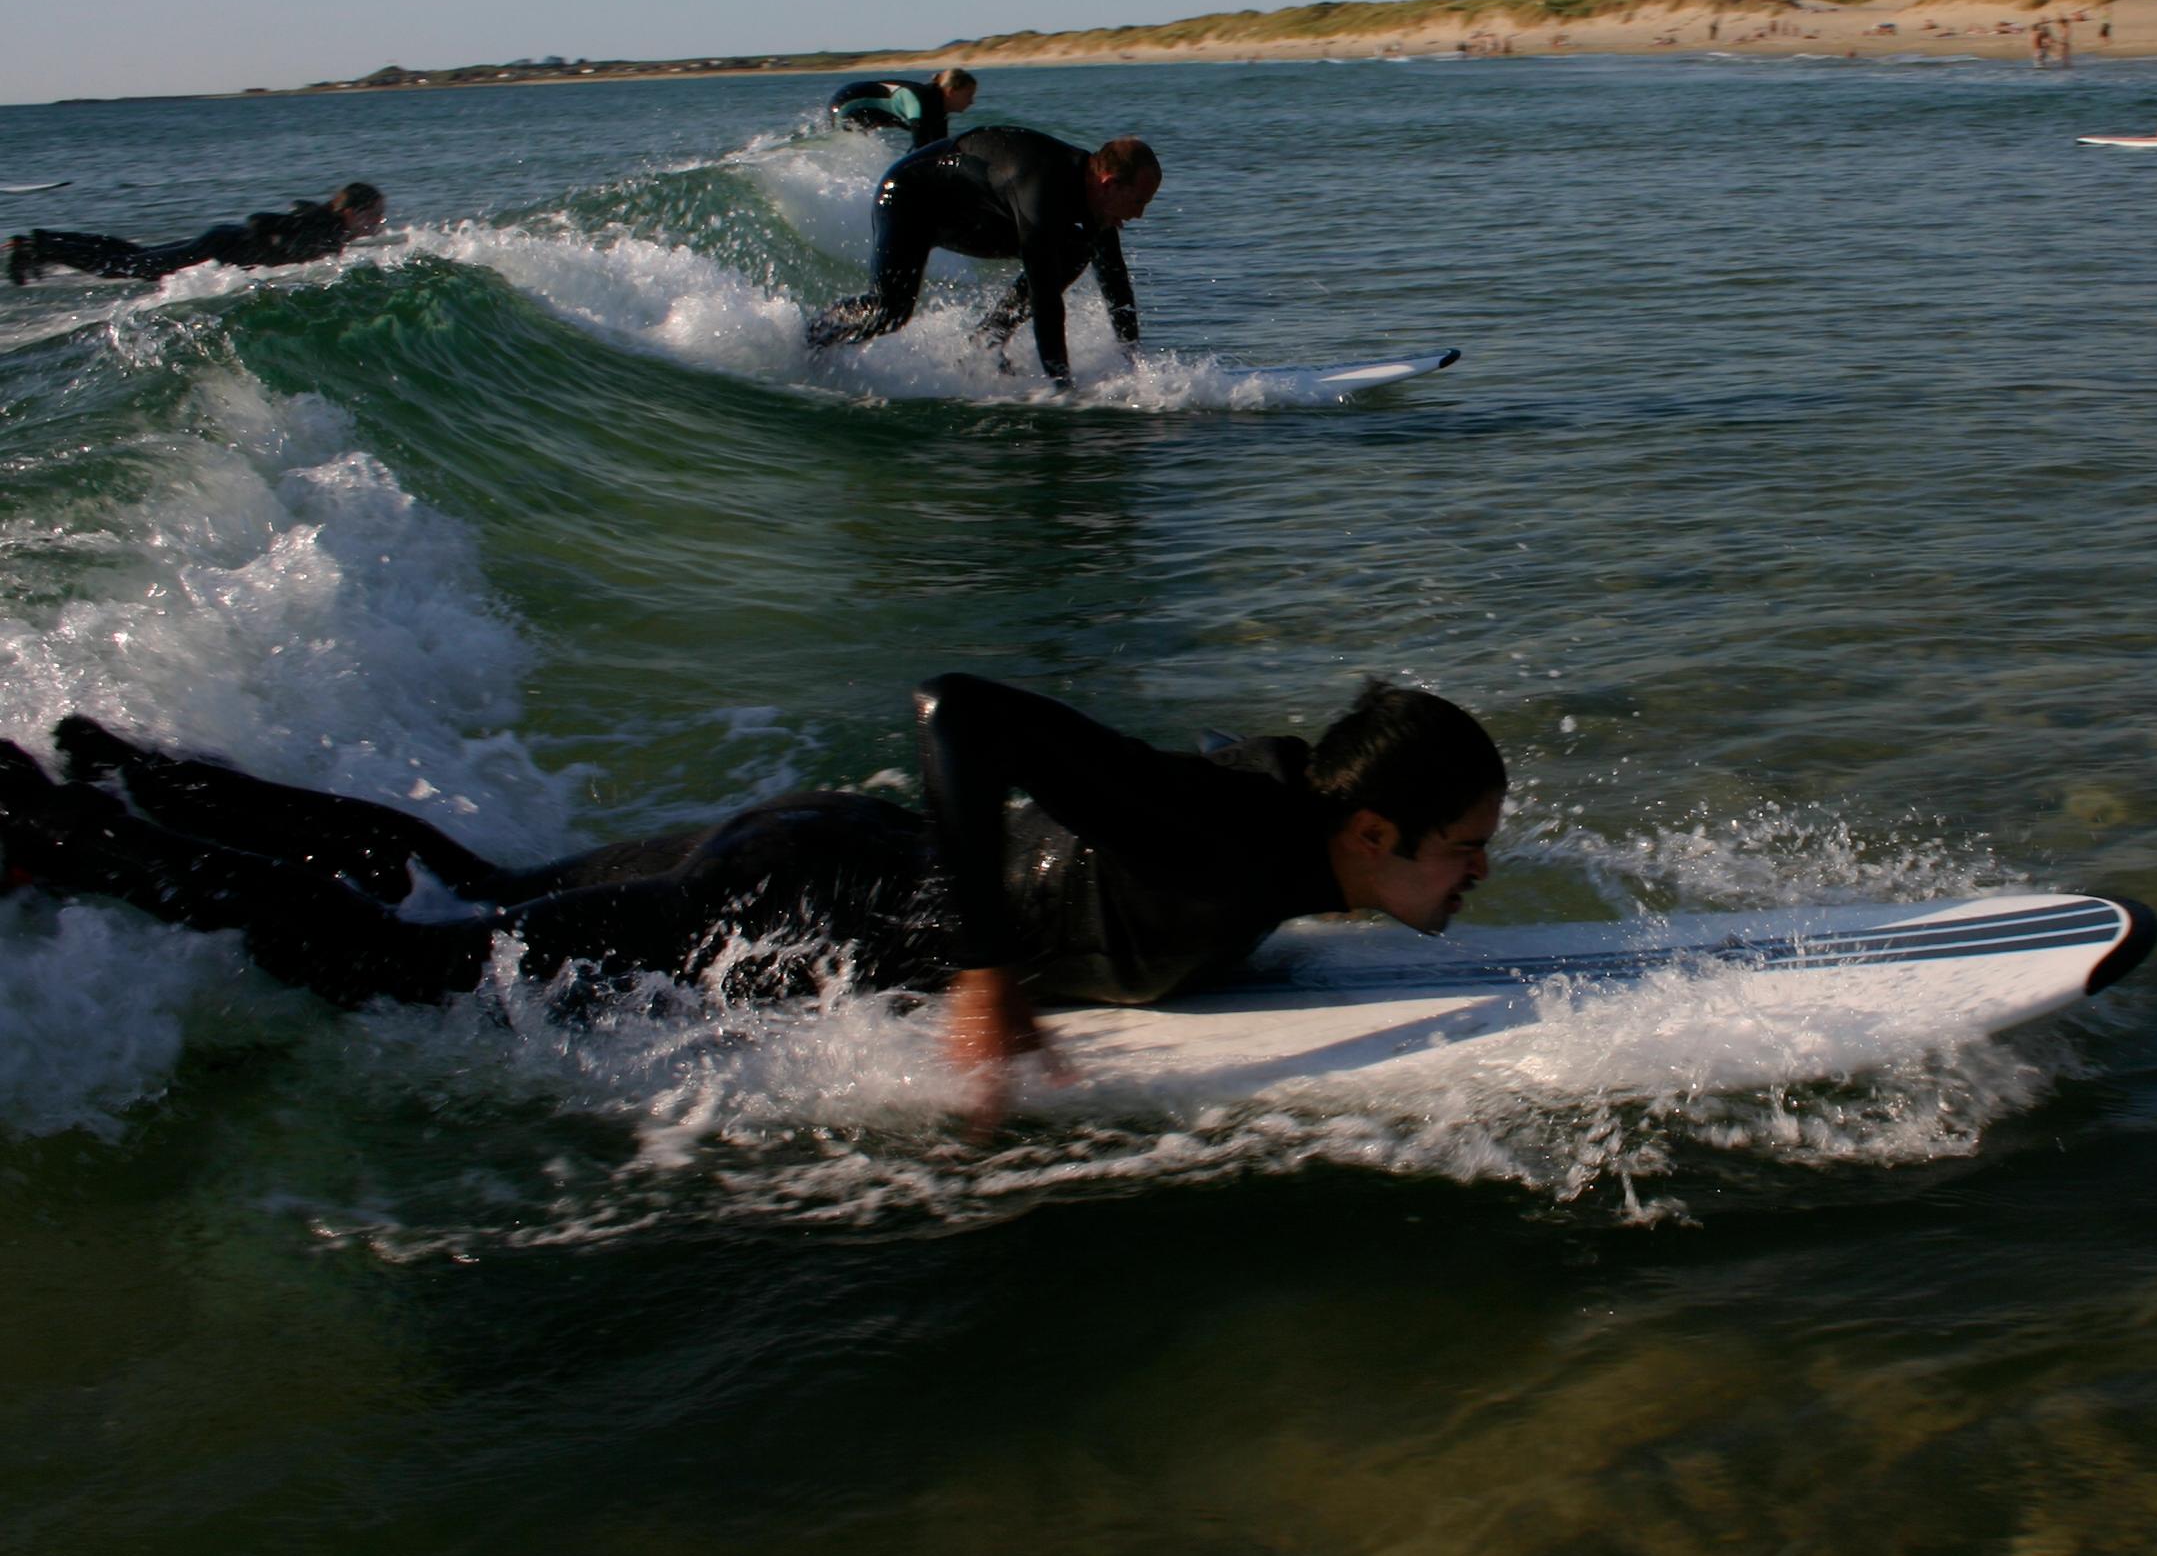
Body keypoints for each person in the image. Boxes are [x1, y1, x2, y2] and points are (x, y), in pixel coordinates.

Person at [2, 677, 1506, 1084]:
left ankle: (128, 771)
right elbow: (957, 710)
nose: (1479, 879)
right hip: (792, 909)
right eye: (1463, 851)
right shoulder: (1215, 824)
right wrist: (989, 969)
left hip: (826, 854)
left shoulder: (1294, 830)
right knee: (398, 974)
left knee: (477, 883)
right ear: (1367, 833)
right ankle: (72, 839)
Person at [806, 129, 1159, 382]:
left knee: (1078, 249)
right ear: (1109, 183)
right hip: (909, 198)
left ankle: (986, 340)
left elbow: (1115, 280)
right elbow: (1045, 297)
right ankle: (813, 337)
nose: (1139, 215)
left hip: (972, 214)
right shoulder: (1042, 189)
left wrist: (1132, 360)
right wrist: (1062, 385)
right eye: (1138, 202)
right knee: (891, 310)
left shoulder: (1094, 204)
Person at [10, 184, 387, 286]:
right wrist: (265, 250)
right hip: (220, 247)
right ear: (352, 212)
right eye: (375, 216)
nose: (379, 224)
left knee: (132, 256)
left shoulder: (330, 229)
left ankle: (42, 244)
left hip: (221, 243)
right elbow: (260, 220)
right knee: (123, 267)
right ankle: (38, 246)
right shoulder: (326, 228)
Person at [829, 68, 977, 147]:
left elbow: (939, 148)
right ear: (951, 92)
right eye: (968, 95)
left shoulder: (939, 112)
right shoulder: (921, 100)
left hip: (864, 108)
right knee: (851, 150)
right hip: (847, 103)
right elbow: (921, 145)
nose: (972, 102)